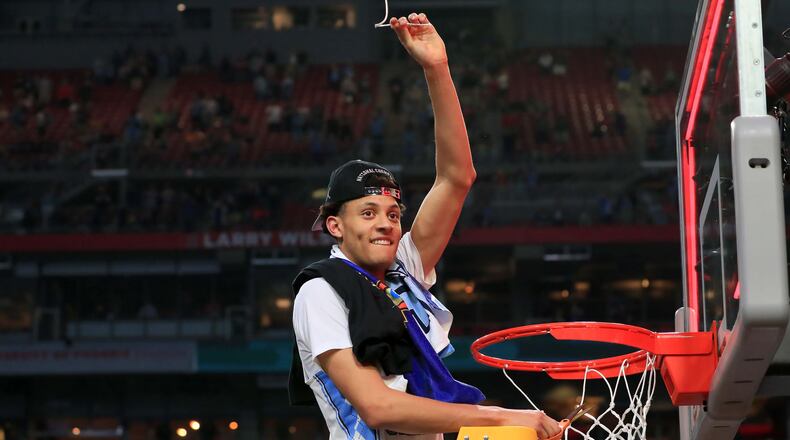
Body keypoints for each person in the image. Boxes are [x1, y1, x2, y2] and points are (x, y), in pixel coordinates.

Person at [289, 12, 562, 440]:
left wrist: (436, 68)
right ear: (334, 226)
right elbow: (377, 408)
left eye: (393, 215)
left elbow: (457, 178)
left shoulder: (402, 272)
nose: (386, 224)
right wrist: (500, 415)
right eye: (367, 213)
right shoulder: (320, 292)